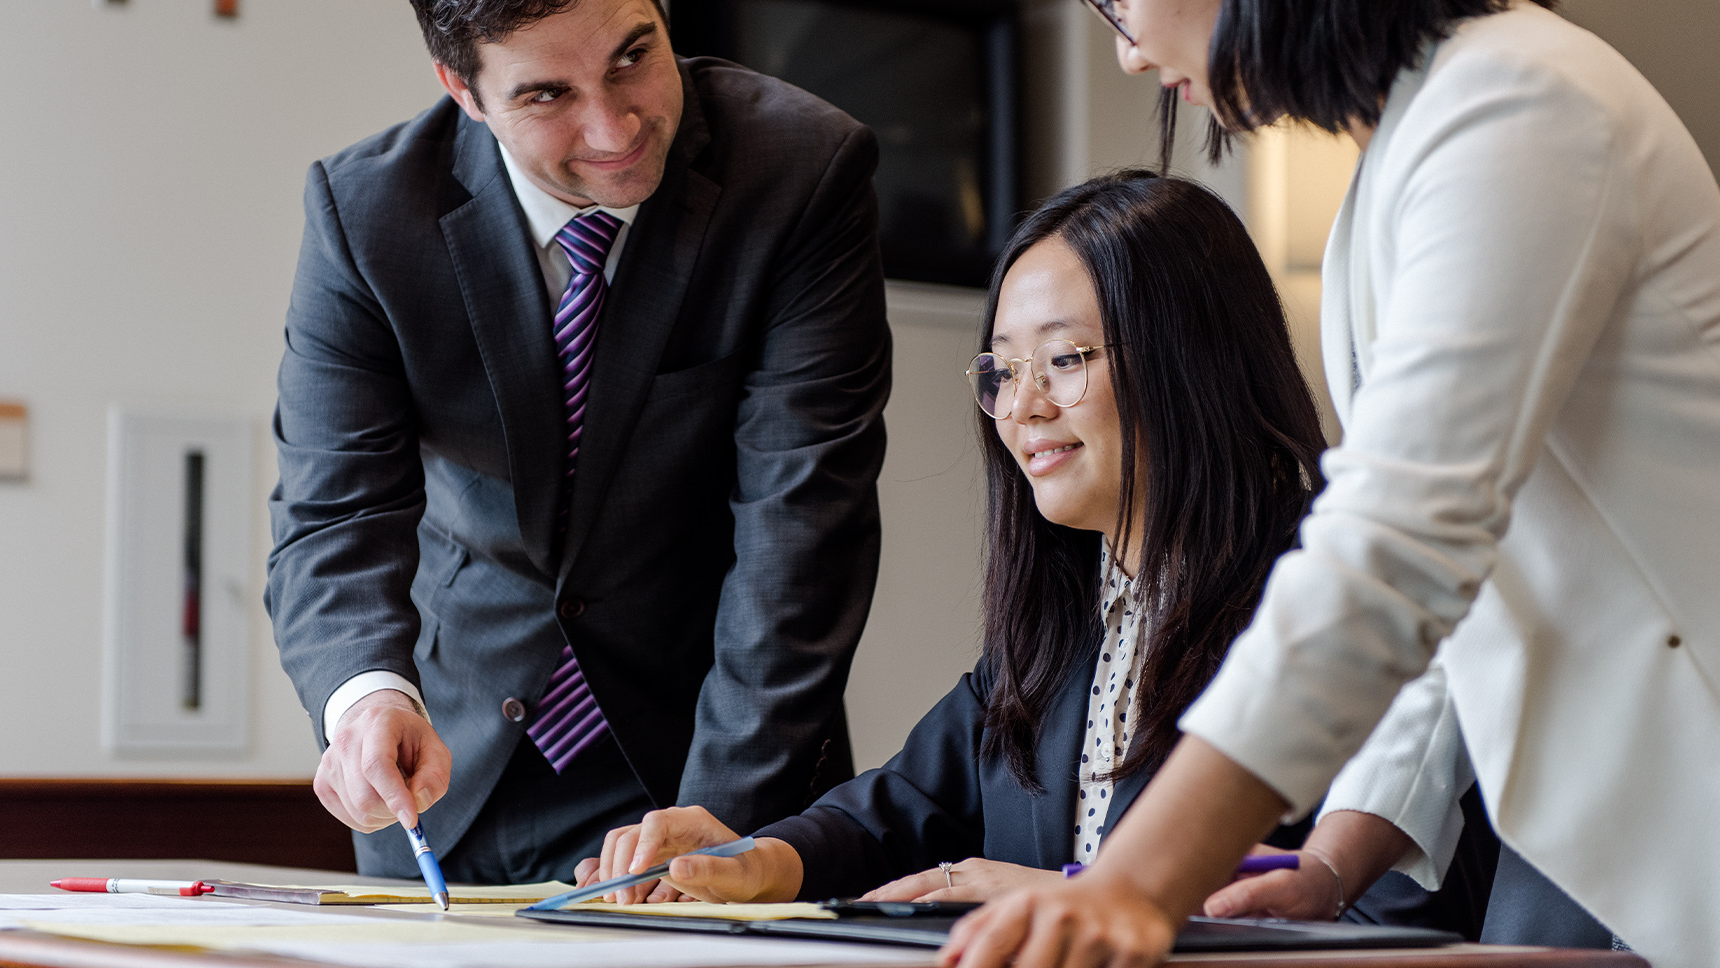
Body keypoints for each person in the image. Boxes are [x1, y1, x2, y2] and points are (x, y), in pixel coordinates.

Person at [940, 0, 1720, 967]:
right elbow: (1469, 584)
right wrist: (1333, 863)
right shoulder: (1409, 160)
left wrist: (1144, 879)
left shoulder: (1517, 104)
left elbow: (1399, 544)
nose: (1130, 53)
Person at [265, 0, 890, 885]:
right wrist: (368, 696)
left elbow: (803, 521)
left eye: (633, 56)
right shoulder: (369, 218)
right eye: (548, 95)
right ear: (462, 89)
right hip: (449, 782)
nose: (615, 128)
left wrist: (722, 816)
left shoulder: (800, 175)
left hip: (710, 754)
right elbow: (334, 512)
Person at [572, 170, 1342, 907]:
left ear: (1195, 357)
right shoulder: (1066, 622)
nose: (1020, 407)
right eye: (1003, 371)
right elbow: (895, 812)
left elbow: (1369, 899)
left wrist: (1082, 896)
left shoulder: (1341, 599)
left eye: (1065, 359)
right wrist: (746, 860)